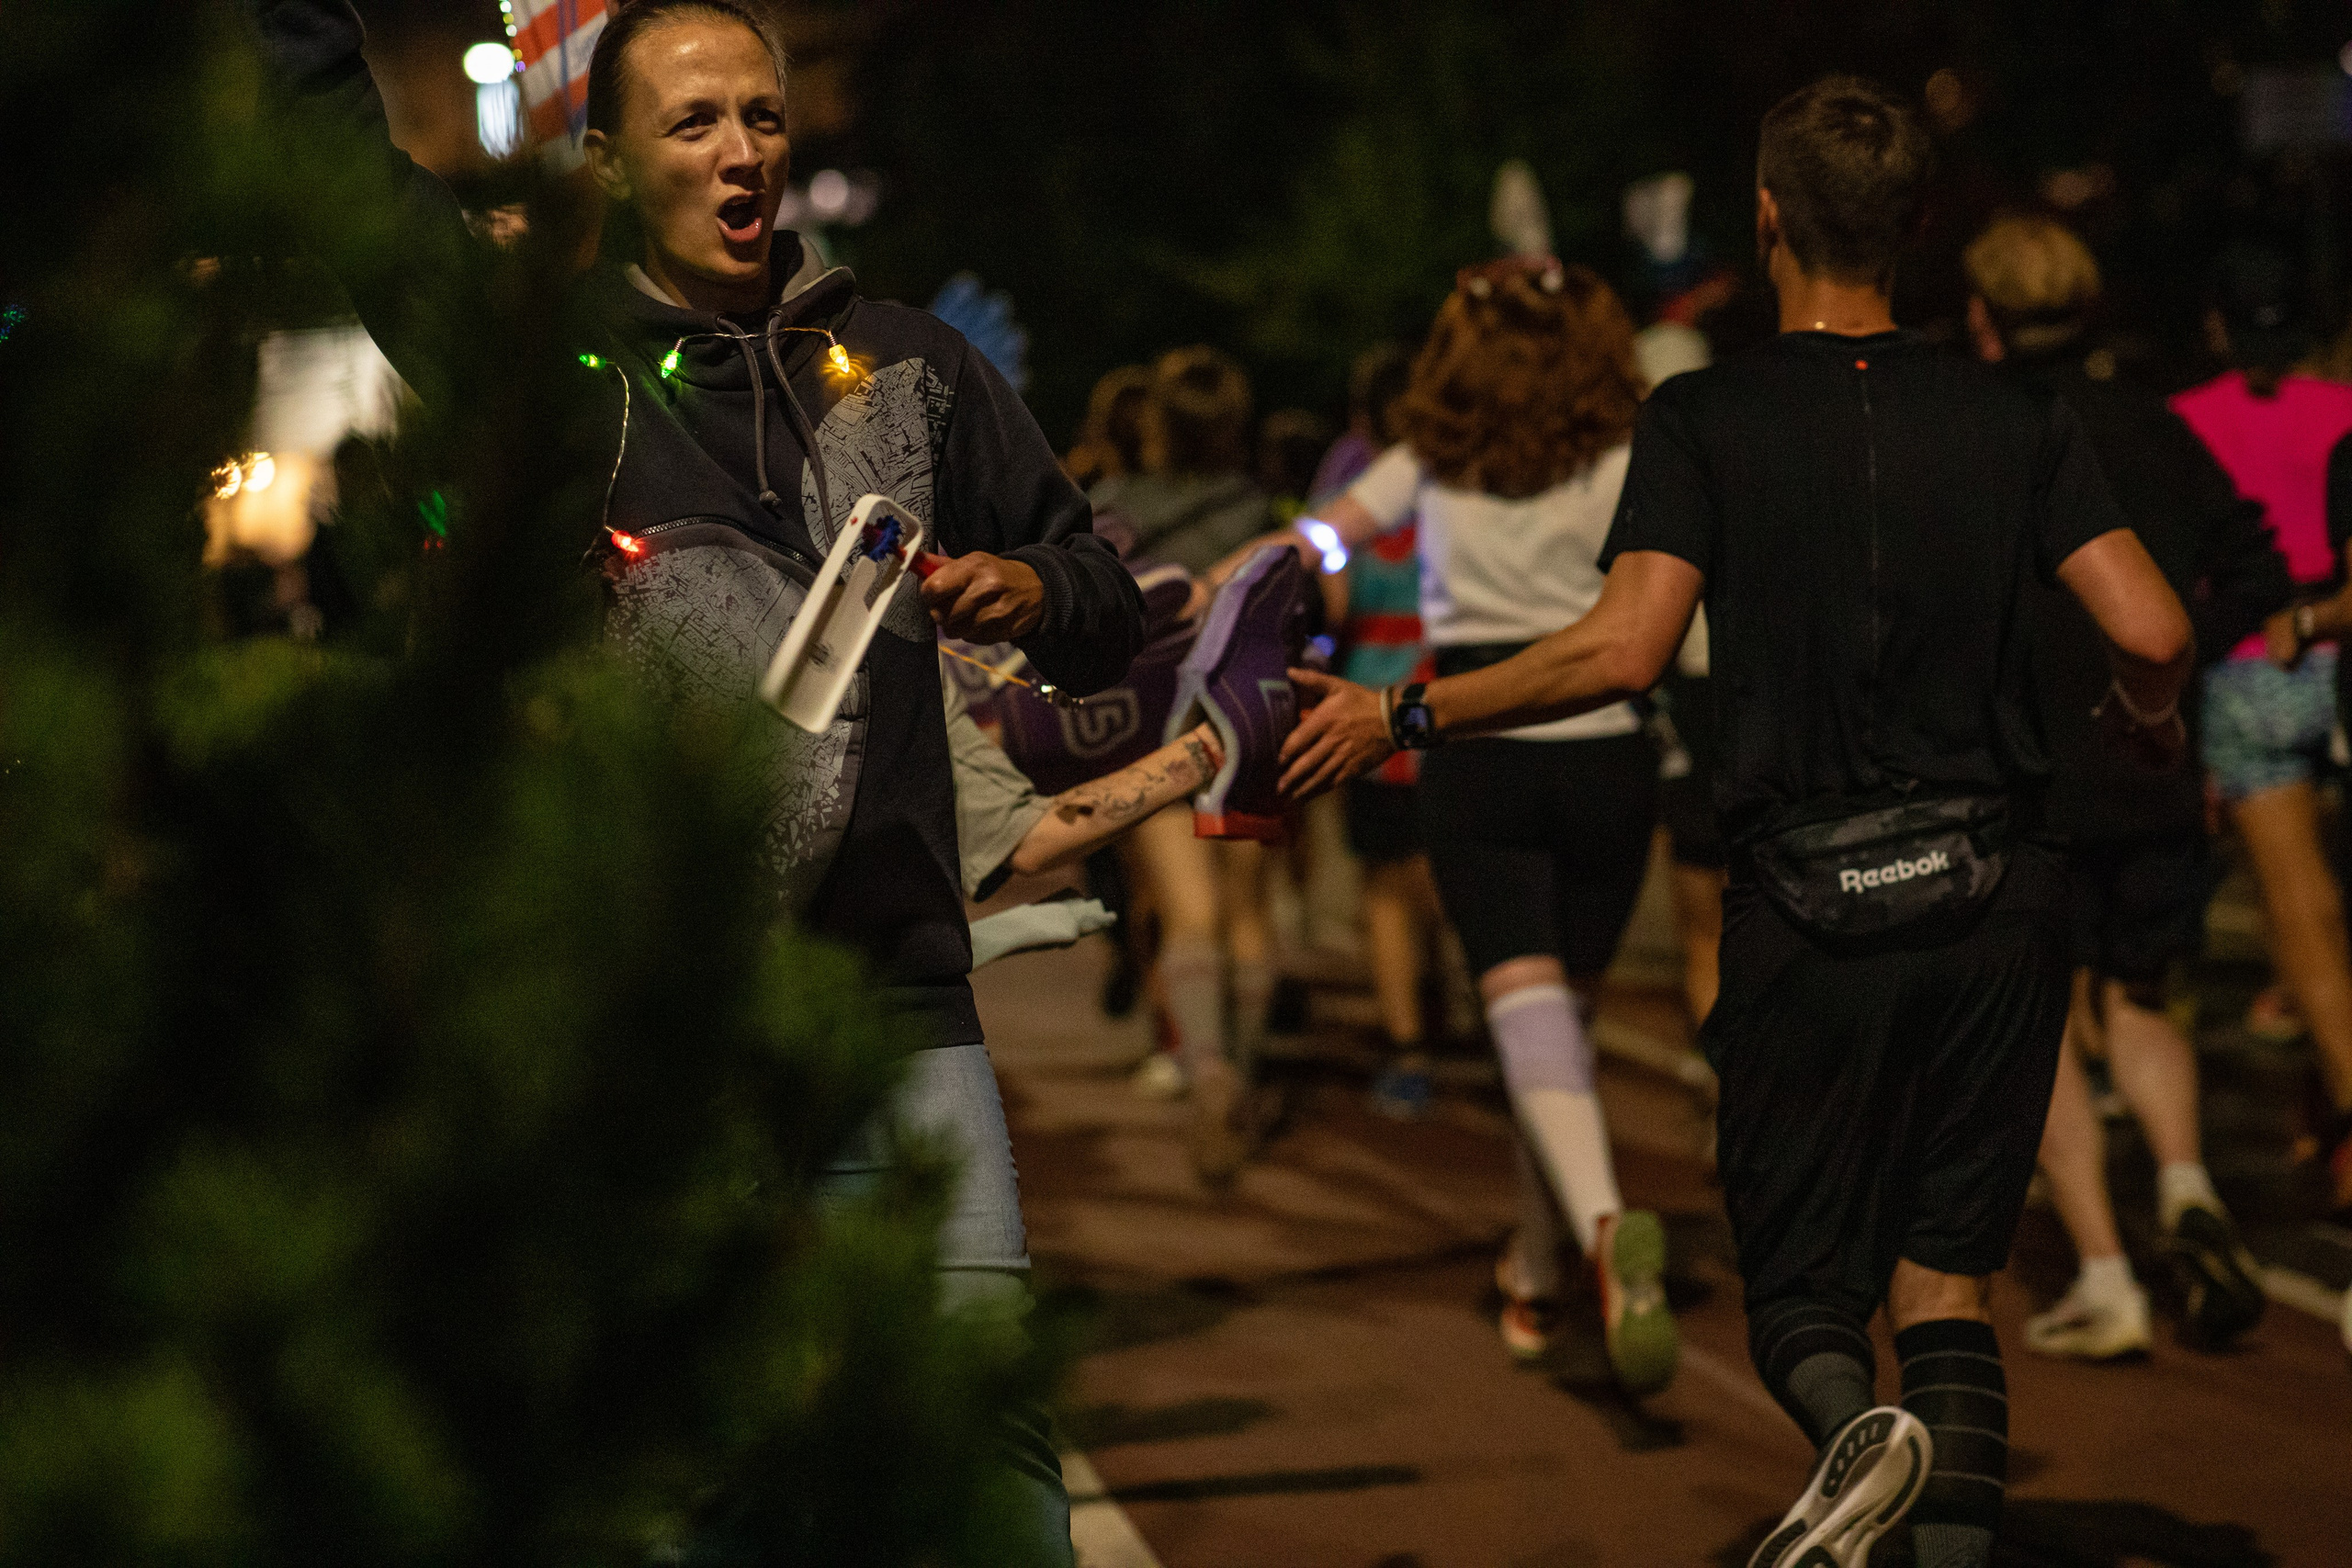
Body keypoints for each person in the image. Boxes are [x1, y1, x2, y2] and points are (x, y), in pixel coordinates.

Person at [243, 4, 1147, 1561]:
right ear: (608, 162)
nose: (742, 152)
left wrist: (1034, 586)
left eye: (763, 117)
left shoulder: (912, 369)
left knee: (981, 1420)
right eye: (695, 122)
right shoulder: (551, 362)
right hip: (653, 1023)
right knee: (702, 1473)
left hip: (893, 1007)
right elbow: (345, 160)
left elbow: (1104, 596)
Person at [1279, 77, 2192, 1568]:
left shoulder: (1704, 416)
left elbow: (1622, 649)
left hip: (1812, 897)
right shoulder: (2020, 414)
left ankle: (1851, 1432)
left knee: (1802, 1286)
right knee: (1948, 1280)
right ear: (1916, 225)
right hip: (1996, 888)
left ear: (1766, 218)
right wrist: (2145, 715)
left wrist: (1405, 711)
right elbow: (2152, 627)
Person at [1260, 258, 1677, 1393]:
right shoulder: (1631, 453)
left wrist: (1243, 575)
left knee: (1526, 1020)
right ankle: (1540, 1266)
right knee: (1560, 1031)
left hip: (1473, 737)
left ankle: (1596, 1225)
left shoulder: (1431, 456)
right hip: (1606, 743)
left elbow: (1325, 538)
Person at [1962, 213, 2286, 1358]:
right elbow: (2256, 563)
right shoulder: (2149, 423)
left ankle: (2105, 1272)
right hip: (2149, 754)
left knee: (2040, 1017)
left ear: (1983, 318)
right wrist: (2173, 666)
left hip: (2025, 769)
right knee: (2142, 996)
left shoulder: (1978, 434)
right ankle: (2187, 1184)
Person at [2168, 242, 2352, 1221]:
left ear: (2216, 326)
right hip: (2340, 650)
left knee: (2299, 913)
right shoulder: (2342, 411)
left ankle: (2347, 1105)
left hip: (2251, 666)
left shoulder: (2187, 421)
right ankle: (2328, 1107)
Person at [1322, 346, 1447, 1116]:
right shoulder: (1465, 485)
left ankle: (1407, 1049)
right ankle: (1449, 1000)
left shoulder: (1351, 502)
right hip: (1457, 702)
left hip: (1369, 706)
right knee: (1443, 873)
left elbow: (1334, 608)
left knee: (1386, 887)